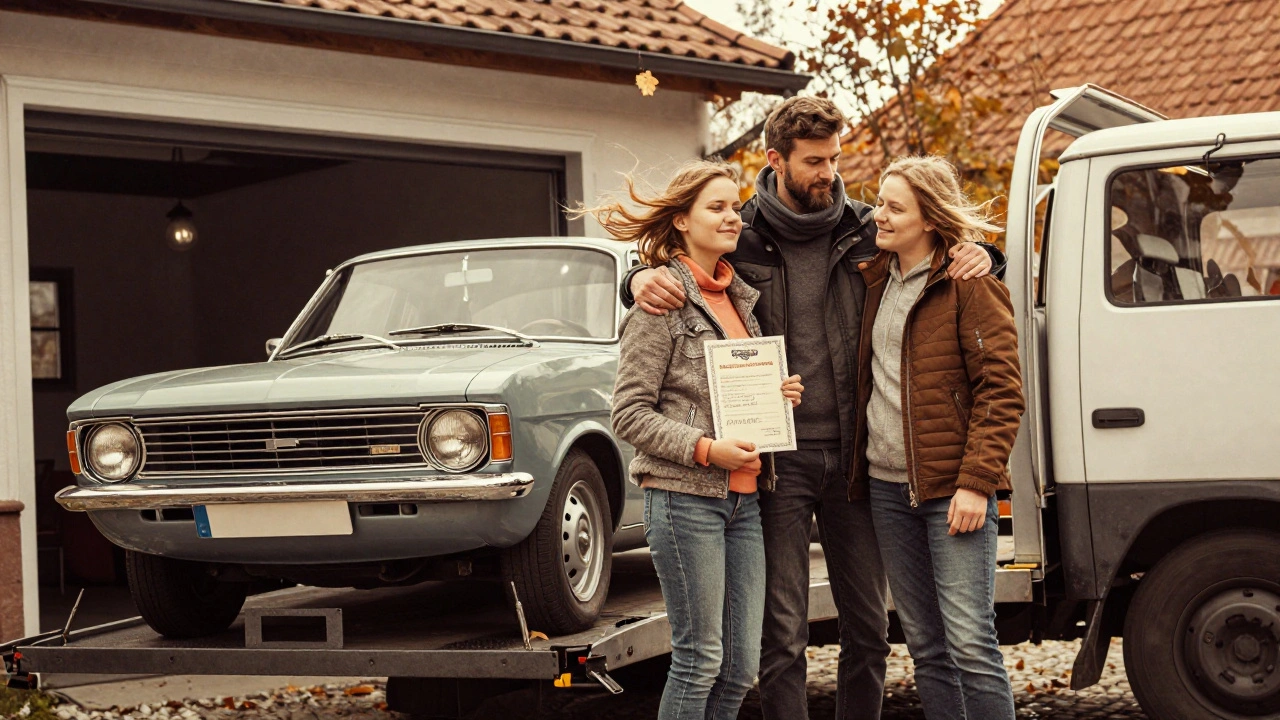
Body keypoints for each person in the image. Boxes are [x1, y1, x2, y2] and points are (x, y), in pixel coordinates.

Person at [621, 97, 1004, 720]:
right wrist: (635, 280)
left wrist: (989, 255)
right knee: (781, 633)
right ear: (776, 160)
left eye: (834, 158)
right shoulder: (738, 233)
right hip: (777, 462)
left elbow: (936, 255)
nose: (829, 172)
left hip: (859, 460)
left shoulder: (865, 228)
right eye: (814, 161)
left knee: (869, 630)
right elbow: (678, 271)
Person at [594, 160, 804, 720]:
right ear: (682, 221)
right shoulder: (659, 302)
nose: (733, 217)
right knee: (698, 660)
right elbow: (629, 415)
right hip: (686, 500)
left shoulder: (740, 300)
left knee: (738, 667)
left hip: (746, 502)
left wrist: (775, 392)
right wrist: (707, 450)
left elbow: (727, 394)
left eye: (735, 206)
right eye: (716, 207)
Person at [852, 155, 1024, 720]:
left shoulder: (971, 285)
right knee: (925, 647)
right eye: (879, 201)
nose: (879, 214)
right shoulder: (874, 276)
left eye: (895, 207)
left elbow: (1001, 392)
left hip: (953, 491)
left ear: (929, 218)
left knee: (971, 644)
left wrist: (977, 485)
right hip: (886, 489)